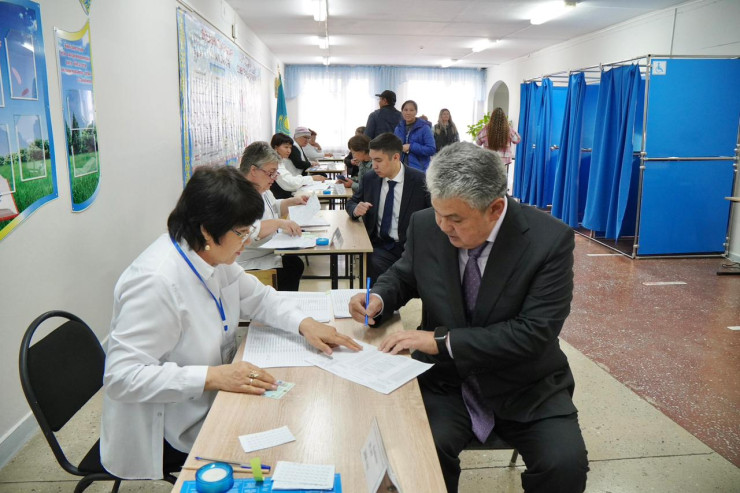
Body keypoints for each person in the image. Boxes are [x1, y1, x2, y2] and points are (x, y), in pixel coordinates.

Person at [349, 142, 589, 493]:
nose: (443, 226)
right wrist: (379, 298)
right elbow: (405, 274)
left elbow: (534, 332)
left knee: (564, 466)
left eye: (456, 219)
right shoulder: (426, 225)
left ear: (495, 208)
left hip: (526, 384)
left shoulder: (548, 240)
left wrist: (440, 341)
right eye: (438, 213)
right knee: (419, 455)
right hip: (446, 382)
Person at [101, 166, 361, 480]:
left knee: (293, 410)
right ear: (207, 231)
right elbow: (121, 377)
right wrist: (213, 376)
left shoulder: (211, 255)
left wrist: (304, 323)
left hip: (213, 396)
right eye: (241, 233)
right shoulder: (155, 282)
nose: (247, 241)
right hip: (169, 424)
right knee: (283, 448)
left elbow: (260, 298)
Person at [345, 133, 430, 280]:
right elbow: (351, 202)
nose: (374, 166)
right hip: (380, 246)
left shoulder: (420, 181)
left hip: (411, 248)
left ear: (396, 157)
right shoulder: (370, 179)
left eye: (378, 160)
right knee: (375, 269)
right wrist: (355, 209)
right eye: (372, 159)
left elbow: (434, 215)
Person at [238, 141, 308, 291]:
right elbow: (248, 231)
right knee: (291, 268)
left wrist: (291, 202)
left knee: (294, 263)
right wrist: (278, 223)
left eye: (275, 173)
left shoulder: (261, 187)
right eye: (271, 173)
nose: (274, 178)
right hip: (249, 260)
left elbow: (273, 207)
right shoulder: (238, 194)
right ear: (253, 170)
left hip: (267, 251)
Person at [270, 133, 325, 200]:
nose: (289, 151)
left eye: (290, 148)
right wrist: (311, 178)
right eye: (286, 147)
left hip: (285, 194)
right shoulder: (274, 163)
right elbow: (290, 183)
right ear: (276, 148)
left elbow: (291, 179)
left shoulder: (280, 160)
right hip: (281, 198)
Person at [394, 100, 436, 172]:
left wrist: (411, 147)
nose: (408, 113)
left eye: (411, 110)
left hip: (419, 170)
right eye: (405, 110)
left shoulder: (424, 128)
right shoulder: (398, 128)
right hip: (400, 169)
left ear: (416, 112)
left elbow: (431, 149)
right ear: (402, 112)